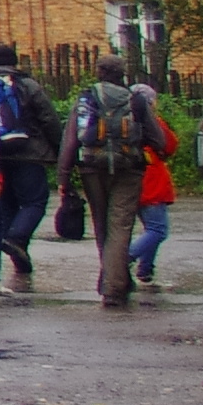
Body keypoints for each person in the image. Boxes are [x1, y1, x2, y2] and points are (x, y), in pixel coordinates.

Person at [64, 56, 164, 309]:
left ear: (98, 72)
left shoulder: (86, 98)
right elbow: (159, 141)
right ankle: (114, 288)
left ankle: (112, 279)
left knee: (102, 225)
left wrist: (64, 176)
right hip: (128, 169)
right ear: (123, 73)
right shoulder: (136, 100)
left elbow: (70, 139)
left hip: (91, 167)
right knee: (120, 226)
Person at [0, 41, 59, 293]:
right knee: (35, 202)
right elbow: (48, 119)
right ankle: (16, 240)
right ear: (14, 62)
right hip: (28, 154)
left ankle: (19, 257)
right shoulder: (28, 85)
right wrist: (60, 149)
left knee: (8, 206)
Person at [128, 90, 177, 292]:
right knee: (158, 229)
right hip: (152, 182)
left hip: (133, 182)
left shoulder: (124, 123)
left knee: (151, 229)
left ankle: (145, 271)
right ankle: (124, 258)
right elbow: (170, 145)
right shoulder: (153, 122)